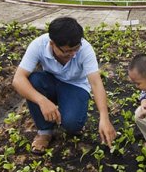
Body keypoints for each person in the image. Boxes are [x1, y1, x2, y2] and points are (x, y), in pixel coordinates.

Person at [13, 17, 116, 153]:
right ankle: (44, 131)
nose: (72, 54)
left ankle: (67, 113)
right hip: (50, 82)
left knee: (72, 124)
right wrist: (42, 101)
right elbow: (18, 80)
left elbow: (96, 83)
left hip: (75, 86)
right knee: (33, 81)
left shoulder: (85, 49)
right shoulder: (38, 45)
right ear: (52, 44)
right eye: (66, 51)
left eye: (75, 49)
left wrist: (104, 118)